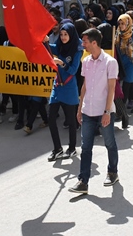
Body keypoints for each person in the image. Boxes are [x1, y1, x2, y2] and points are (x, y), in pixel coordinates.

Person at [69, 28, 119, 195]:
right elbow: (84, 85)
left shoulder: (110, 62)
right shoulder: (86, 61)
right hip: (87, 111)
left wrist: (106, 111)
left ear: (94, 43)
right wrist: (79, 107)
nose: (83, 44)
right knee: (86, 147)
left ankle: (112, 172)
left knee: (109, 143)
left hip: (104, 110)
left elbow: (111, 89)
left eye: (85, 42)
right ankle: (83, 181)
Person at [46, 23, 81, 161]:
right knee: (51, 118)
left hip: (69, 87)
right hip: (57, 87)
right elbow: (48, 47)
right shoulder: (58, 46)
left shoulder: (77, 50)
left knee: (71, 120)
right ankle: (57, 148)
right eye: (61, 34)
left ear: (71, 35)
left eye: (66, 34)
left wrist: (61, 63)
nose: (63, 37)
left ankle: (72, 148)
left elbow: (73, 70)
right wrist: (44, 40)